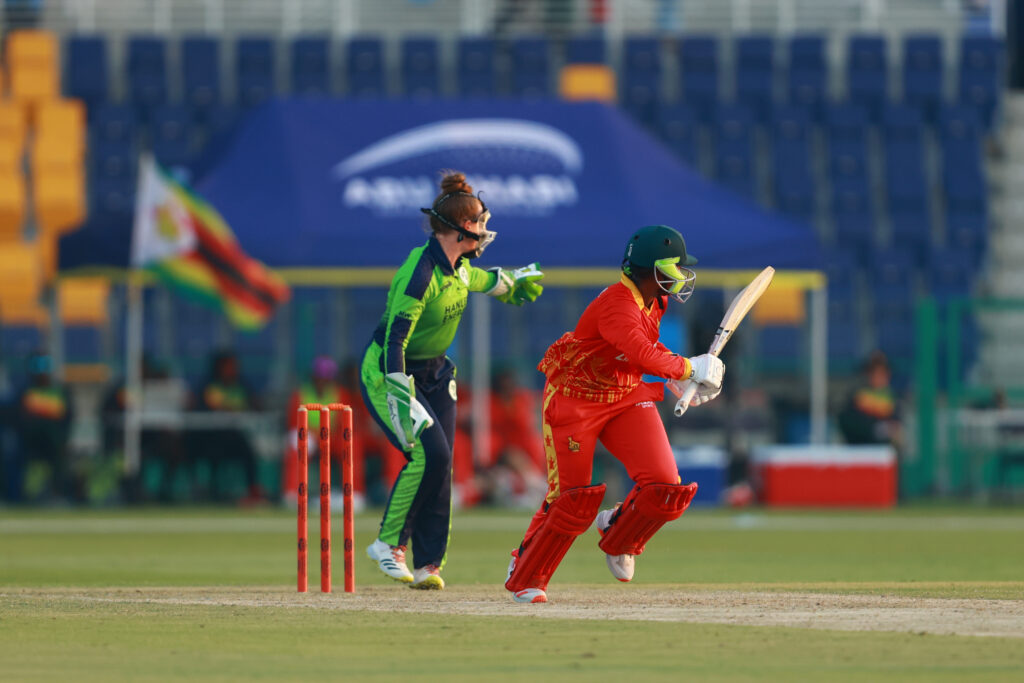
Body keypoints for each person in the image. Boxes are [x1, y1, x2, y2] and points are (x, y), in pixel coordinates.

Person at [504, 225, 725, 604]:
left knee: (665, 488)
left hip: (624, 394)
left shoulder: (655, 299)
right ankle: (527, 570)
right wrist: (688, 369)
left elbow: (644, 350)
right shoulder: (617, 305)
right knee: (570, 498)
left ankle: (619, 534)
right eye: (675, 267)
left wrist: (674, 380)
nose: (681, 275)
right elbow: (639, 349)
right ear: (653, 269)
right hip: (576, 400)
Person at [360, 171, 544, 590]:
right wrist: (398, 387)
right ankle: (388, 544)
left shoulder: (457, 266)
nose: (483, 231)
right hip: (392, 370)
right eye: (478, 223)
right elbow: (394, 340)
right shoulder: (421, 272)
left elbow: (483, 280)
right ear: (460, 229)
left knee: (443, 466)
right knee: (428, 456)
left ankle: (428, 564)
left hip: (437, 373)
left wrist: (511, 283)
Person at [197, 350, 265, 503]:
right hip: (210, 436)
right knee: (214, 453)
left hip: (235, 437)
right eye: (230, 366)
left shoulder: (241, 384)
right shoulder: (210, 385)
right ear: (220, 367)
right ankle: (213, 491)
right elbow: (212, 406)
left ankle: (253, 491)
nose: (234, 369)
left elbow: (254, 404)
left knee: (248, 451)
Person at [13, 351, 72, 502]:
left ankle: (58, 494)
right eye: (38, 366)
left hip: (55, 444)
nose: (42, 372)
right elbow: (21, 421)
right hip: (32, 444)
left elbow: (68, 418)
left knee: (59, 459)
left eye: (45, 366)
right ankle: (31, 496)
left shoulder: (60, 391)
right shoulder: (26, 392)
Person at [838, 350, 902, 446]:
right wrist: (875, 429)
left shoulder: (892, 399)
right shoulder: (857, 397)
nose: (878, 377)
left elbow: (896, 426)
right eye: (874, 372)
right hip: (860, 450)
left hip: (884, 452)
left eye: (883, 373)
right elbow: (846, 422)